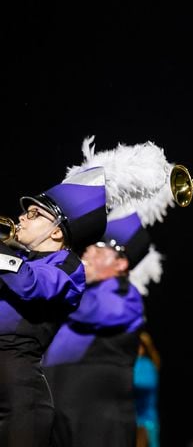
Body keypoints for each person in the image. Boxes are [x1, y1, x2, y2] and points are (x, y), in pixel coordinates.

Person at [42, 137, 172, 447]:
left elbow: (87, 310)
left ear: (121, 263)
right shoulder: (83, 286)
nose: (87, 253)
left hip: (97, 422)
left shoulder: (124, 296)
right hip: (60, 410)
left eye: (98, 249)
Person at [0, 167, 107, 446]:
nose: (22, 216)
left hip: (18, 397)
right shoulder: (16, 259)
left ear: (56, 233)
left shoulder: (67, 266)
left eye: (34, 214)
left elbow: (29, 284)